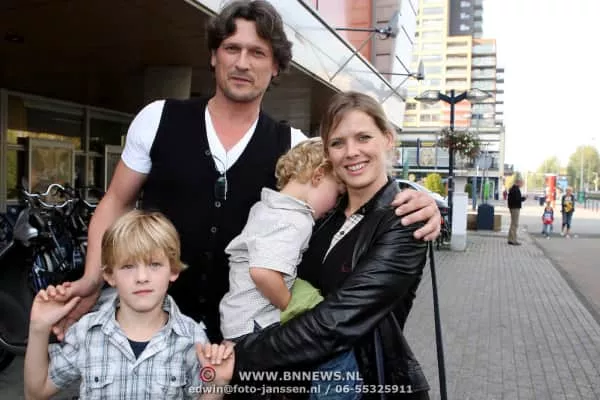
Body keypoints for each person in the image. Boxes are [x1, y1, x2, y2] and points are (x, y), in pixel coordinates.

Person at [52, 0, 441, 343]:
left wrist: (419, 202)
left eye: (257, 52)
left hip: (241, 343)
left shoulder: (294, 145)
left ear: (276, 66)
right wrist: (92, 277)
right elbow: (116, 202)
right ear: (213, 56)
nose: (242, 63)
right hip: (151, 327)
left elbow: (355, 187)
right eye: (231, 48)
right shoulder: (158, 118)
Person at [230, 92, 431, 399]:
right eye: (338, 143)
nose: (351, 152)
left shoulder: (406, 221)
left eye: (363, 137)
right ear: (327, 153)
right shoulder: (321, 214)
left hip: (362, 385)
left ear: (388, 139)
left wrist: (241, 358)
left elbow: (336, 321)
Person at [24, 210, 234, 400]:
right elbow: (36, 392)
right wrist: (38, 327)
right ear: (109, 275)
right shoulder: (87, 331)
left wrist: (216, 387)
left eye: (154, 264)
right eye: (128, 266)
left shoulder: (192, 339)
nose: (141, 277)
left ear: (173, 270)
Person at [219, 138, 359, 398]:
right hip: (259, 322)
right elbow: (263, 273)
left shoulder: (266, 206)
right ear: (318, 176)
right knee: (337, 357)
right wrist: (292, 310)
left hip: (238, 322)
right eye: (337, 193)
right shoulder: (295, 219)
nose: (335, 204)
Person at [507, 174, 526, 245]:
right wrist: (523, 198)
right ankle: (513, 240)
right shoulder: (516, 189)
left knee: (513, 223)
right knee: (515, 224)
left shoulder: (512, 188)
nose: (522, 185)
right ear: (518, 182)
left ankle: (510, 239)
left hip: (512, 207)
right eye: (522, 183)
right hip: (515, 208)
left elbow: (513, 199)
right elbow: (517, 199)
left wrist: (522, 198)